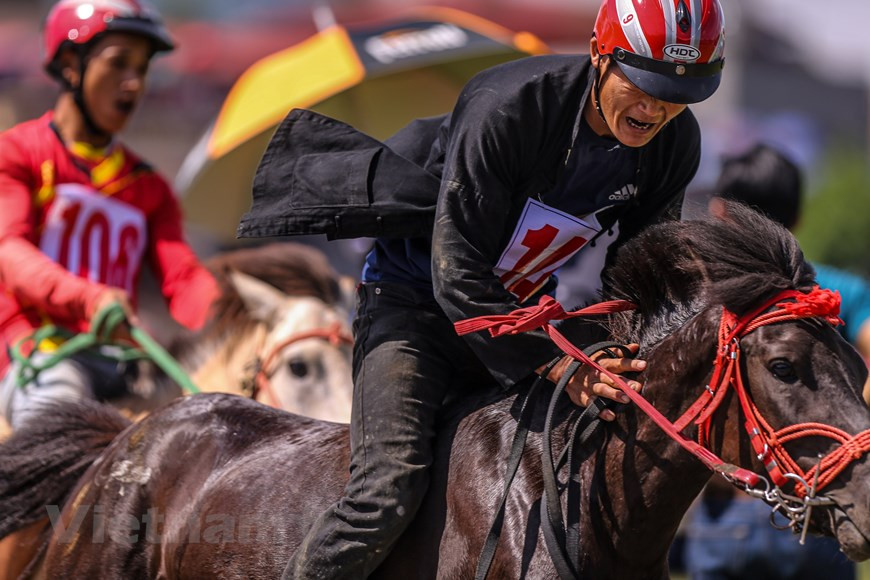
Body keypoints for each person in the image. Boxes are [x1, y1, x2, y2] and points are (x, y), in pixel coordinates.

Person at [239, 0, 726, 576]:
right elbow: (457, 272)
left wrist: (613, 350)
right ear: (602, 55)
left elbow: (640, 276)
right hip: (413, 307)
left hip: (518, 320)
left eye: (680, 92)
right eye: (643, 83)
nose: (656, 107)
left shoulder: (675, 143)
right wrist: (567, 368)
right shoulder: (511, 107)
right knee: (385, 495)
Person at [0, 0, 219, 429]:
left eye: (142, 68)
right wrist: (89, 297)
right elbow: (9, 250)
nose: (134, 84)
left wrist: (241, 310)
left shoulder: (150, 188)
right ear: (69, 65)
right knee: (62, 417)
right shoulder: (18, 153)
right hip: (34, 354)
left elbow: (184, 279)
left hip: (122, 363)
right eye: (119, 64)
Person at [679, 143, 862, 580]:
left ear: (720, 212)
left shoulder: (701, 297)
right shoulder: (831, 289)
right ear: (797, 220)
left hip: (727, 508)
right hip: (817, 503)